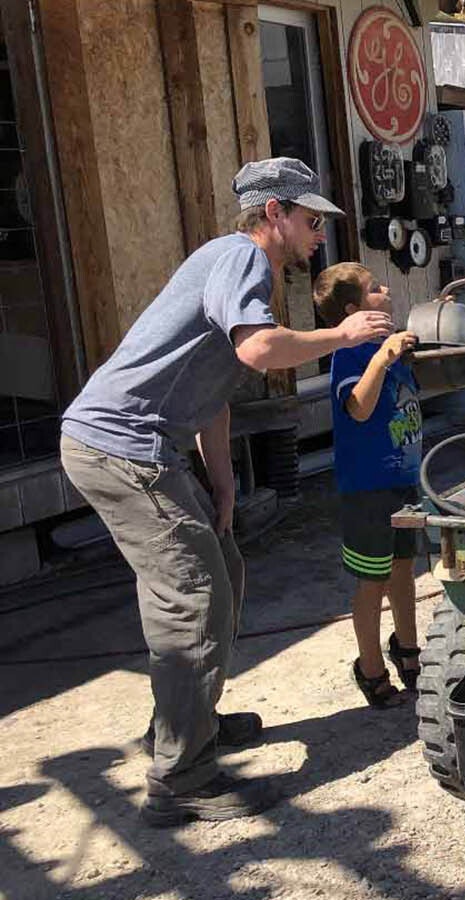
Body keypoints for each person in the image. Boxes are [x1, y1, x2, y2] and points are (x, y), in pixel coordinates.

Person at [58, 158, 393, 826]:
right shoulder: (241, 258)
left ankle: (191, 723)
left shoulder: (236, 268)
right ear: (275, 214)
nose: (318, 235)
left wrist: (221, 485)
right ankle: (181, 776)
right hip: (121, 447)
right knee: (192, 599)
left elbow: (215, 391)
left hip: (137, 446)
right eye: (309, 220)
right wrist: (341, 335)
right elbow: (259, 351)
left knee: (221, 570)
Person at [314, 263, 423, 709]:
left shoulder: (388, 350)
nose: (386, 290)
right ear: (354, 310)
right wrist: (382, 357)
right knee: (371, 582)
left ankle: (409, 648)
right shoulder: (351, 354)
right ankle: (371, 667)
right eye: (375, 288)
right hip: (368, 490)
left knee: (404, 572)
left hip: (404, 481)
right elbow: (358, 407)